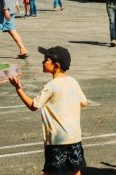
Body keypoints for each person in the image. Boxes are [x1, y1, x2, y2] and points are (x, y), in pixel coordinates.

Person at [8, 45, 89, 175]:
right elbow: (84, 102)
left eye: (46, 60)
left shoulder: (51, 86)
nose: (42, 62)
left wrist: (18, 89)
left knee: (51, 171)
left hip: (57, 141)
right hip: (74, 138)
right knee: (74, 171)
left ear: (56, 65)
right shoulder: (73, 81)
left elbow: (33, 106)